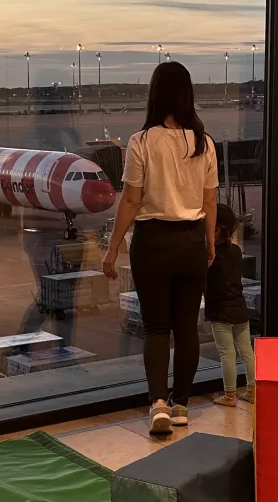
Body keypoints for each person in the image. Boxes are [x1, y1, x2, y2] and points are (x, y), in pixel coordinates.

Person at [102, 62, 217, 437]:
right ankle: (182, 403)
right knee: (186, 329)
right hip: (191, 241)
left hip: (153, 241)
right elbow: (210, 200)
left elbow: (132, 201)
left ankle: (158, 405)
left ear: (155, 94)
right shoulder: (204, 142)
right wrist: (210, 242)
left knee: (156, 328)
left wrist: (112, 246)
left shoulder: (142, 141)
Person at [205, 202, 255, 406]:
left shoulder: (210, 256)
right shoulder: (235, 250)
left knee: (226, 353)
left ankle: (230, 395)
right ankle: (252, 390)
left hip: (220, 311)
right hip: (239, 307)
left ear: (215, 229)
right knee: (246, 352)